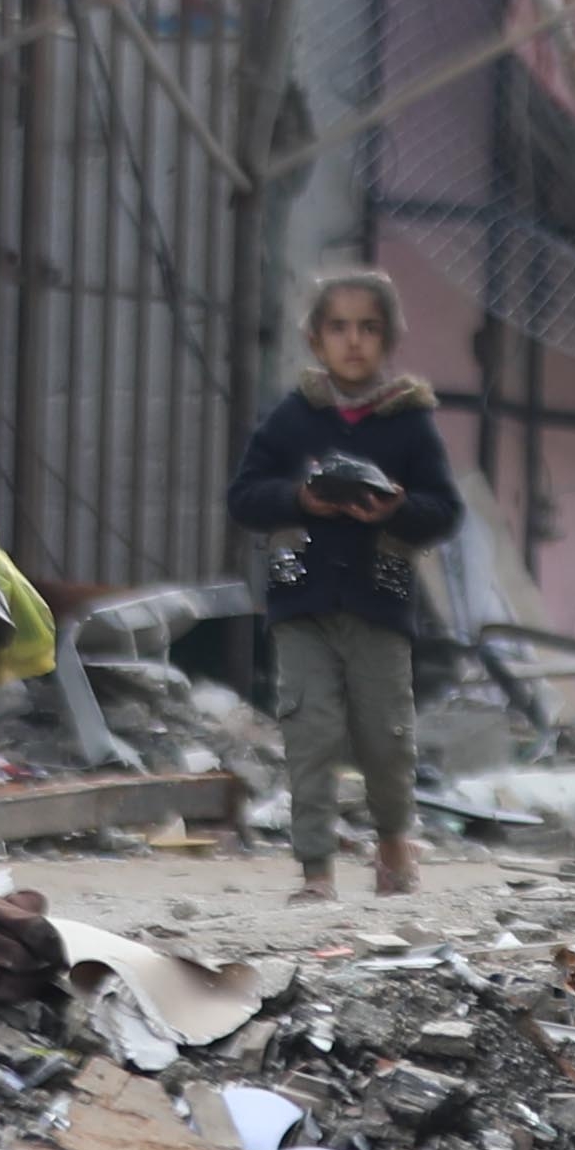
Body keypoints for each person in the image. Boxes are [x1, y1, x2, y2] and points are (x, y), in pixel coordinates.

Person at [230, 266, 464, 902]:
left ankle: (392, 843)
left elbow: (445, 510)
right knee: (311, 733)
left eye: (368, 328)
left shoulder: (409, 423)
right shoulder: (293, 419)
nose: (353, 341)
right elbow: (245, 498)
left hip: (379, 604)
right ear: (315, 339)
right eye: (339, 327)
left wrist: (395, 510)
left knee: (386, 737)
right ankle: (316, 872)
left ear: (388, 339)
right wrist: (302, 498)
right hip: (301, 602)